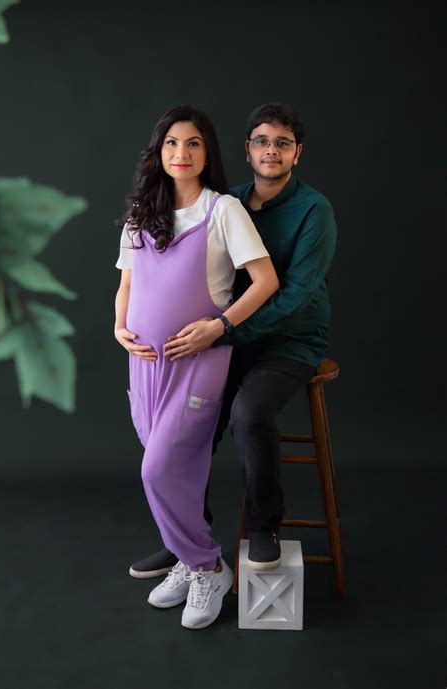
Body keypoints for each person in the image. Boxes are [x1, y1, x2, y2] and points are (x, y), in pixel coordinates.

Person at [129, 102, 338, 577]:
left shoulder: (315, 211)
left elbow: (295, 295)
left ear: (297, 153)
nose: (271, 150)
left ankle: (265, 524)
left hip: (289, 341)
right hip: (227, 338)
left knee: (247, 413)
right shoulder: (230, 202)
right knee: (187, 427)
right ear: (247, 150)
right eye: (262, 141)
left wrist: (221, 330)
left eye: (283, 143)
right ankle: (186, 537)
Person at [114, 104, 279, 629]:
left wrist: (219, 326)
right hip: (144, 366)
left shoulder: (223, 211)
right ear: (158, 152)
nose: (181, 153)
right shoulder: (141, 214)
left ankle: (208, 567)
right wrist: (118, 328)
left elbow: (265, 281)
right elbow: (127, 283)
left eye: (193, 143)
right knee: (173, 471)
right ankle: (190, 560)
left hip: (198, 362)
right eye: (171, 143)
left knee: (158, 469)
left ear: (208, 154)